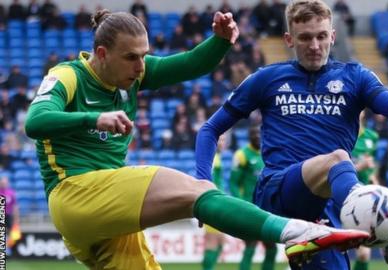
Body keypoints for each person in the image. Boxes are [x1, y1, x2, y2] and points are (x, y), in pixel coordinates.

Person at [24, 9, 369, 269]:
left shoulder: (133, 75)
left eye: (144, 55)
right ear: (101, 54)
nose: (141, 66)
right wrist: (92, 117)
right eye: (132, 57)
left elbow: (190, 64)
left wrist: (220, 41)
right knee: (197, 191)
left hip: (106, 218)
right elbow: (35, 121)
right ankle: (299, 232)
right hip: (74, 193)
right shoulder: (67, 75)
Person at [195, 0, 388, 268]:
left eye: (321, 36)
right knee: (338, 159)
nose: (315, 46)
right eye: (305, 38)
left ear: (332, 36)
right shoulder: (266, 79)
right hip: (279, 190)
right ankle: (378, 216)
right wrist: (203, 186)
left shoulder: (355, 77)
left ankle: (377, 218)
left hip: (327, 205)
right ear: (289, 39)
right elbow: (209, 129)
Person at [230, 125, 277, 270]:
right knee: (250, 246)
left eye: (259, 133)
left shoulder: (267, 154)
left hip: (266, 209)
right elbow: (233, 183)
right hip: (249, 208)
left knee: (271, 248)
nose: (257, 136)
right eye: (253, 133)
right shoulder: (241, 155)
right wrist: (242, 204)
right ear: (248, 136)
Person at [351, 111, 378, 270]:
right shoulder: (340, 134)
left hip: (362, 199)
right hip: (337, 197)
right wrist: (359, 167)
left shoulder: (371, 137)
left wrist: (374, 180)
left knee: (363, 254)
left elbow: (371, 165)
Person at [202, 135, 227, 270]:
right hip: (213, 203)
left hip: (217, 202)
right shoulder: (214, 159)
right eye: (220, 140)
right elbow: (209, 181)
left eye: (224, 140)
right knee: (212, 241)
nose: (222, 143)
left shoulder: (217, 158)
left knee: (221, 242)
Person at [0, 176, 21, 253]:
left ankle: (7, 247)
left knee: (9, 231)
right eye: (2, 182)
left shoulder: (11, 193)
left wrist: (17, 218)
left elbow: (15, 207)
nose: (4, 184)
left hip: (8, 215)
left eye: (5, 182)